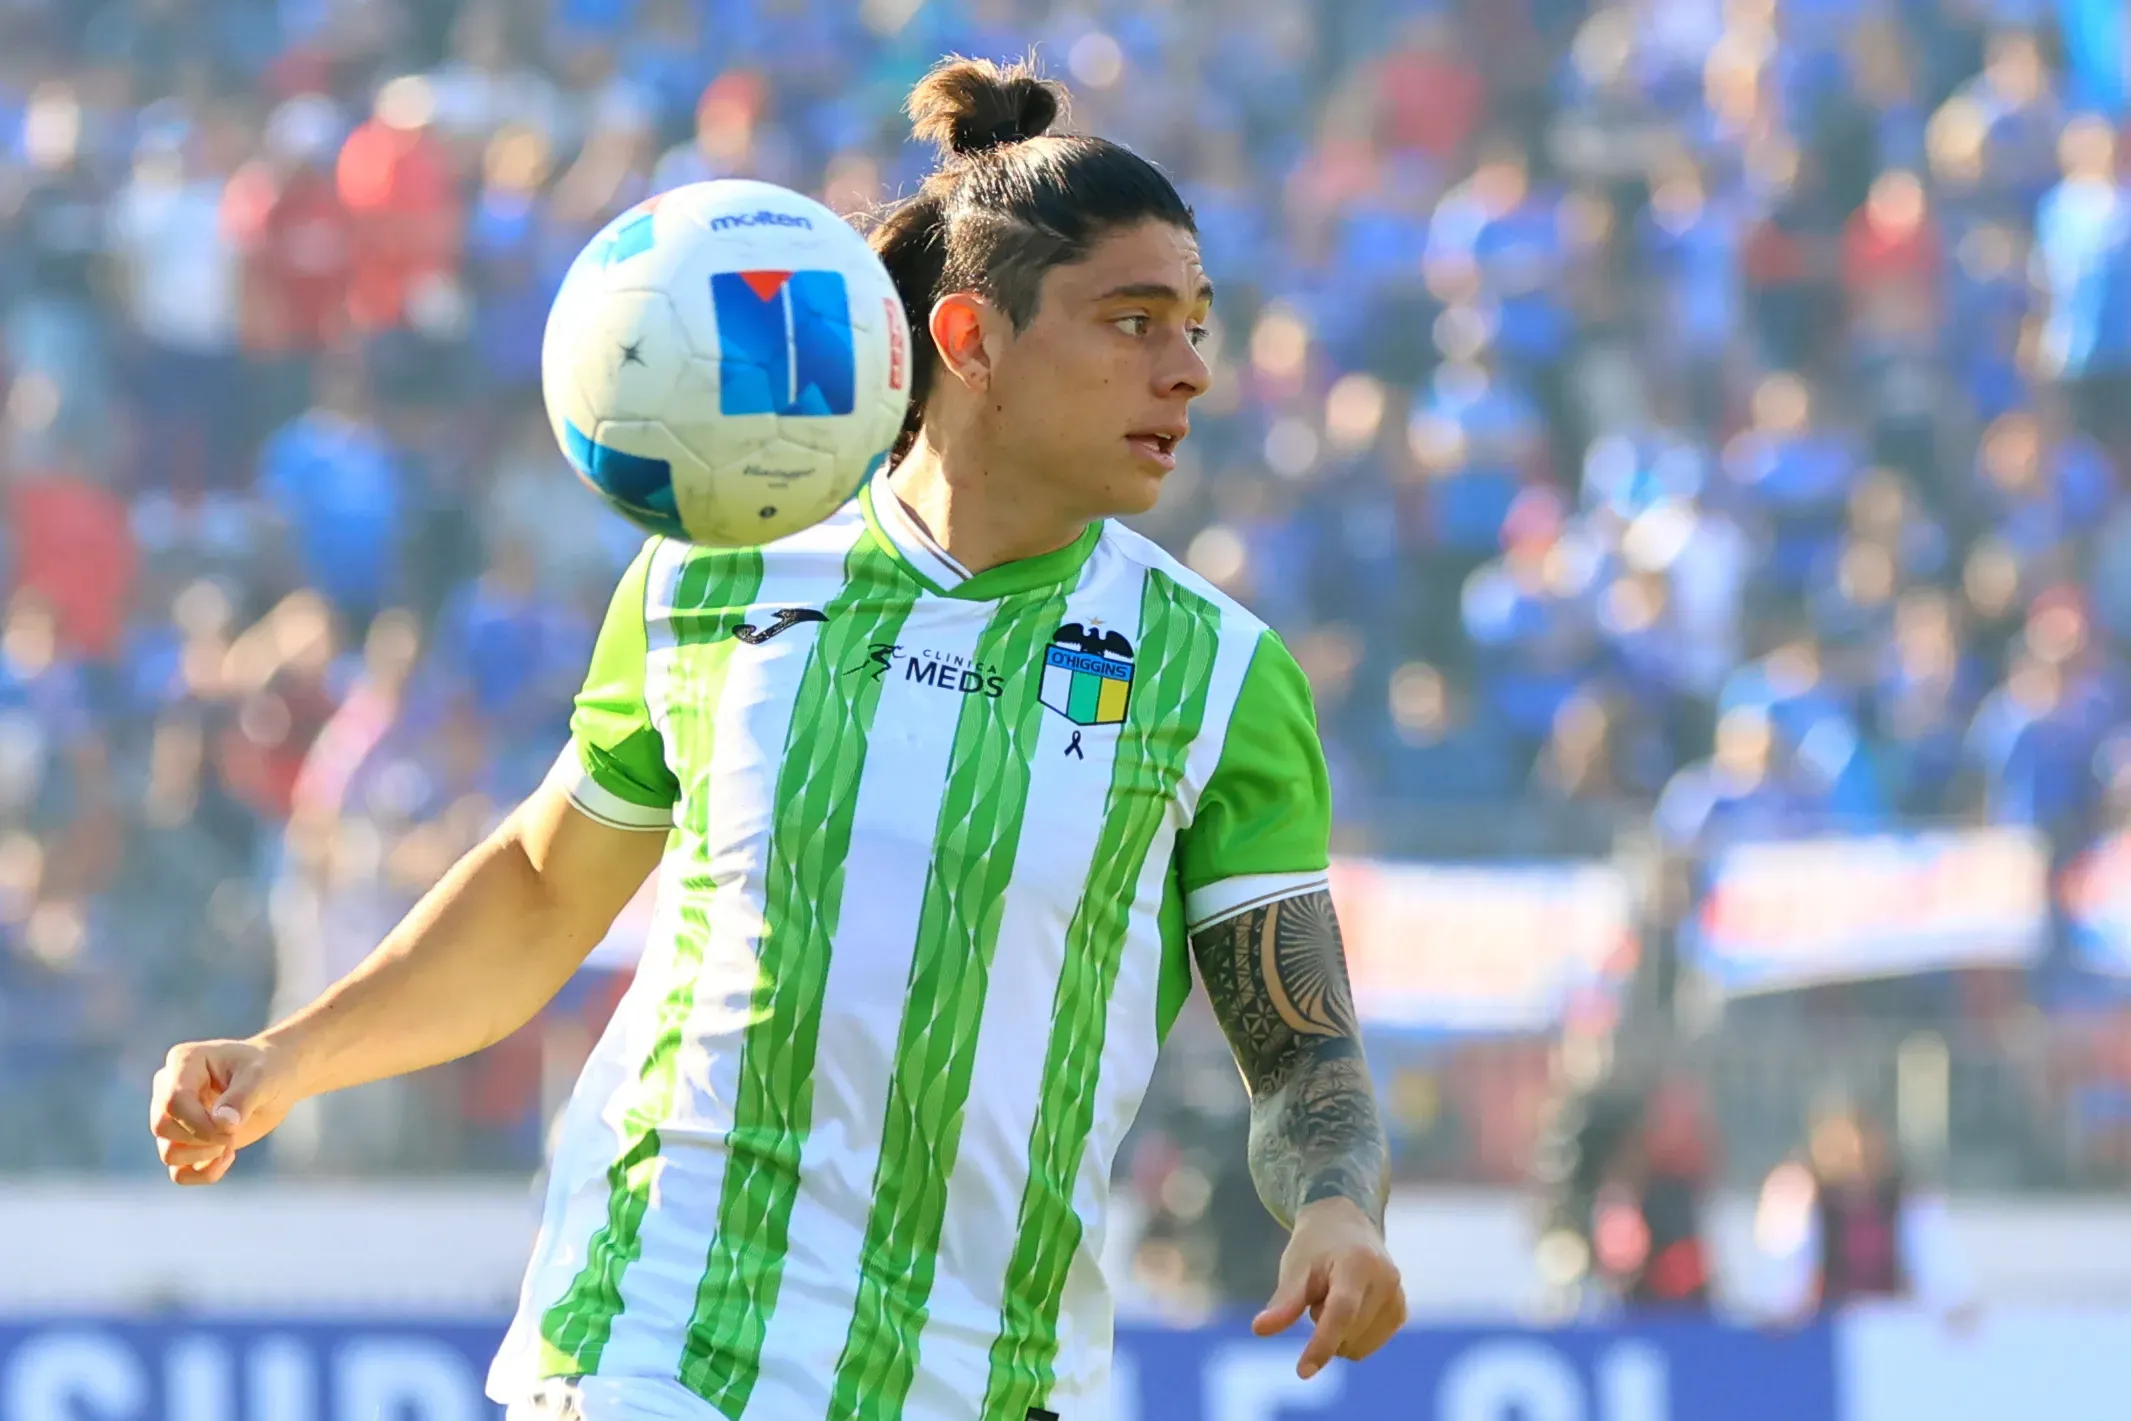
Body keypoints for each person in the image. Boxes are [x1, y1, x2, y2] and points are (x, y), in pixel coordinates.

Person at [148, 56, 1405, 1421]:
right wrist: (291, 1059)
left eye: (1197, 326)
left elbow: (1302, 1050)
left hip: (980, 1381)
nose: (1190, 371)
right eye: (1134, 322)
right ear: (971, 339)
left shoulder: (1219, 675)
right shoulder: (716, 572)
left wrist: (1336, 1203)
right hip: (651, 1339)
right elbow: (541, 892)